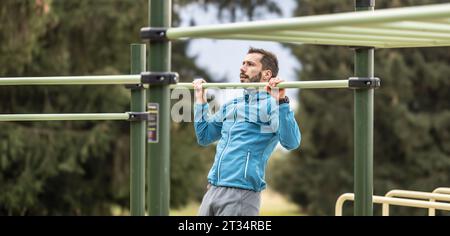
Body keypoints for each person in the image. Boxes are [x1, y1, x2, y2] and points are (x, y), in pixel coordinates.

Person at [193, 47, 301, 216]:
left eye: (250, 64)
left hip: (241, 194)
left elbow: (291, 142)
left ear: (266, 74)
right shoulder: (232, 105)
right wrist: (200, 100)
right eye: (242, 63)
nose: (242, 68)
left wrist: (281, 101)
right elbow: (204, 136)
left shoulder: (272, 105)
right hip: (213, 189)